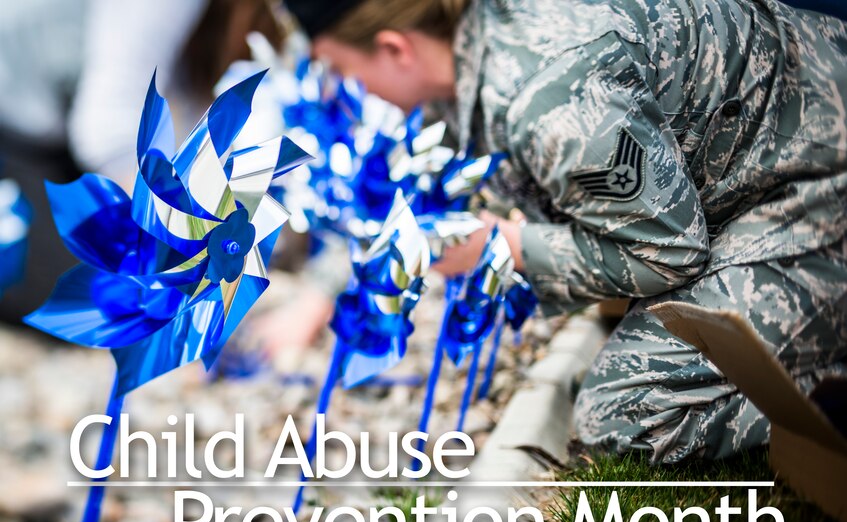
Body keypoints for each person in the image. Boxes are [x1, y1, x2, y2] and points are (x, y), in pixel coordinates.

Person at [283, 0, 847, 463]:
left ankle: (827, 397)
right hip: (767, 172)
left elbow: (668, 254)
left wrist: (507, 248)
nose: (340, 89)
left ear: (393, 49)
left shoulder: (549, 98)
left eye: (339, 69)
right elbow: (409, 197)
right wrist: (324, 283)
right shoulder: (476, 49)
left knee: (624, 411)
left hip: (820, 181)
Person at [0, 0, 282, 322]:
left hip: (54, 128)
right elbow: (106, 130)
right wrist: (187, 236)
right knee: (112, 300)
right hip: (15, 125)